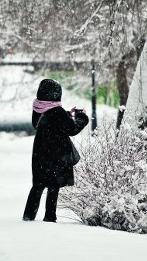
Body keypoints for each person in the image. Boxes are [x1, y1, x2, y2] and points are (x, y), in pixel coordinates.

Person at [22, 78, 89, 222]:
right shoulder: (57, 112)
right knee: (53, 186)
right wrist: (81, 117)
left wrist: (67, 114)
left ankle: (28, 216)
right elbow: (72, 129)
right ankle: (50, 216)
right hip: (56, 154)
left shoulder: (38, 108)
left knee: (38, 186)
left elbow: (49, 119)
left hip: (40, 153)